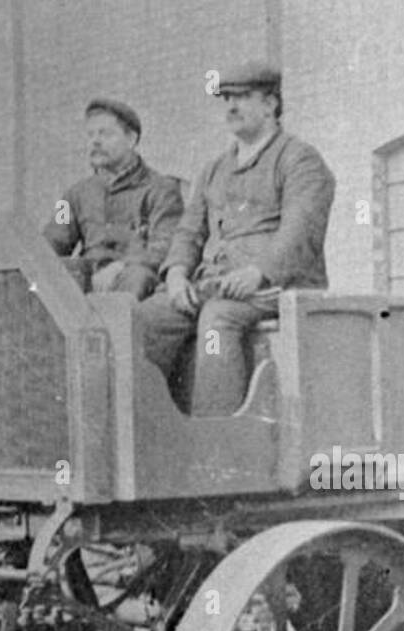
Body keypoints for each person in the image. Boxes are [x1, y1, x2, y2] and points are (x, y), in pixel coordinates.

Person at [133, 62, 336, 415]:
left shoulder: (299, 159)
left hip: (278, 288)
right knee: (142, 319)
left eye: (242, 97)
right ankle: (145, 427)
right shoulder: (214, 169)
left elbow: (300, 229)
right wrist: (177, 273)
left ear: (271, 104)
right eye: (227, 98)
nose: (231, 106)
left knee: (217, 318)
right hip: (213, 282)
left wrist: (258, 272)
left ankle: (218, 439)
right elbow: (188, 231)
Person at [42, 98, 184, 299]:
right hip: (87, 282)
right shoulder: (73, 196)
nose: (95, 141)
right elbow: (52, 241)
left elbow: (164, 246)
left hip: (136, 284)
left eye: (105, 134)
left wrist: (121, 266)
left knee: (136, 277)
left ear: (131, 139)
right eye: (90, 134)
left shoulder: (162, 190)